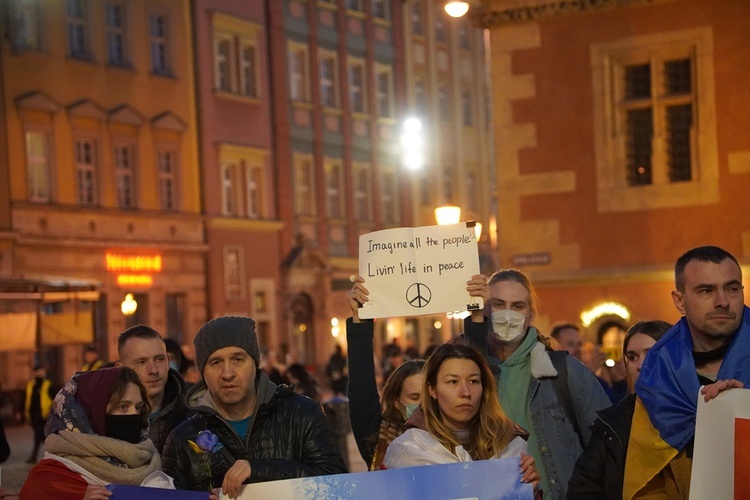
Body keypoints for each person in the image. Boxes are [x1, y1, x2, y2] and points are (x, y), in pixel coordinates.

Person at [465, 269, 610, 500]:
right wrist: (474, 320)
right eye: (499, 304)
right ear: (486, 310)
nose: (508, 314)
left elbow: (605, 449)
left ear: (531, 316)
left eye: (518, 306)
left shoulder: (564, 372)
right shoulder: (471, 377)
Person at [161, 316, 347, 497]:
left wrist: (259, 471)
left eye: (238, 359)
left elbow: (335, 485)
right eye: (216, 362)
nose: (227, 373)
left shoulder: (302, 414)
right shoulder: (182, 440)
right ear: (203, 372)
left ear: (255, 365)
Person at [623, 246, 750, 499]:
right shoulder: (657, 373)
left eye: (732, 288)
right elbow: (649, 482)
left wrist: (745, 411)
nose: (723, 301)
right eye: (706, 290)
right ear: (679, 301)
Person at [345, 274, 487, 470]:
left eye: (426, 395)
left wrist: (477, 317)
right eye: (414, 397)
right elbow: (361, 390)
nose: (423, 404)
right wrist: (359, 322)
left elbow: (474, 368)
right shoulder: (378, 438)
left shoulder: (463, 435)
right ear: (397, 402)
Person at [383, 343, 540, 491]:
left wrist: (528, 490)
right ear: (432, 390)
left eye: (473, 381)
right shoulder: (408, 449)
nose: (465, 392)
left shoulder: (510, 446)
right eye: (453, 382)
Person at [20, 367, 171, 499]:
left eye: (138, 407)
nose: (134, 416)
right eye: (123, 407)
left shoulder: (150, 462)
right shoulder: (48, 480)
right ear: (89, 415)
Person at [567, 320, 672, 499]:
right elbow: (583, 490)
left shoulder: (701, 411)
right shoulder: (612, 422)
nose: (640, 365)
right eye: (632, 357)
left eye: (652, 354)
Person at [115, 325, 193, 454]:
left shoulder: (195, 408)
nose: (153, 370)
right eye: (141, 362)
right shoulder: (106, 418)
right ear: (120, 369)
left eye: (159, 359)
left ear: (168, 361)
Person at [552, 323, 627, 404]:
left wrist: (618, 382)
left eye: (580, 344)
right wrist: (589, 371)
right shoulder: (550, 379)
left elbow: (613, 406)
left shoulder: (596, 380)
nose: (578, 350)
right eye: (570, 344)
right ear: (555, 348)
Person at [24, 364, 54, 463]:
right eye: (37, 371)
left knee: (37, 434)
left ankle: (33, 456)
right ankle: (54, 451)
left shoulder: (47, 384)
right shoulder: (30, 385)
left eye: (41, 371)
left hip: (42, 414)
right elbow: (26, 398)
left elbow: (55, 397)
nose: (40, 373)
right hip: (31, 414)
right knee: (40, 435)